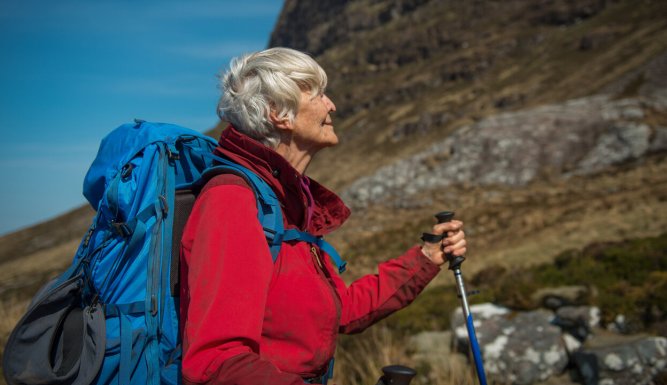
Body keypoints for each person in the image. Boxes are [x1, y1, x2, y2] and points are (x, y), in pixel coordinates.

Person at [179, 47, 467, 385]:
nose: (331, 105)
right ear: (278, 113)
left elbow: (336, 311)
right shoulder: (233, 200)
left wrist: (426, 259)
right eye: (317, 94)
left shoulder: (284, 204)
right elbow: (216, 361)